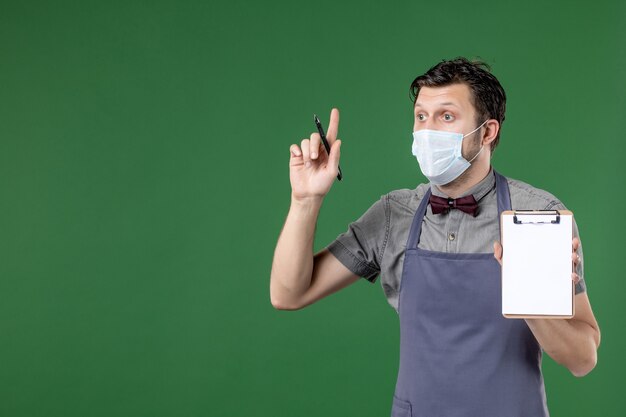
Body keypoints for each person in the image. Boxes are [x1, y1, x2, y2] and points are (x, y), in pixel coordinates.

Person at [270, 57, 600, 416]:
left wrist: (531, 301)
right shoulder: (393, 215)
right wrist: (305, 200)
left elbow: (583, 359)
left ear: (487, 132)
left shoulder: (535, 215)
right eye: (421, 116)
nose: (427, 131)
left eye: (446, 116)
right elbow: (289, 293)